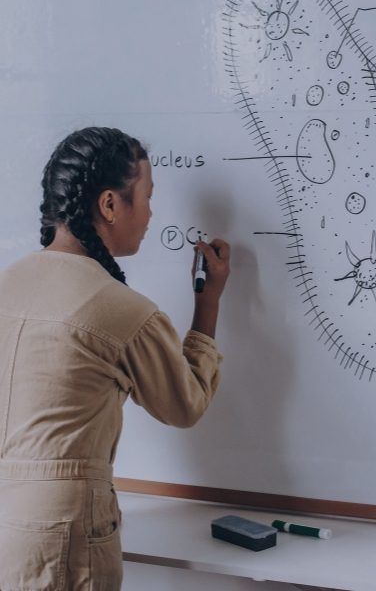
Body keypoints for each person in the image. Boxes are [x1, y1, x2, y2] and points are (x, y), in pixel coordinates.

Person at [0, 127, 230, 590]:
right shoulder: (120, 308)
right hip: (61, 527)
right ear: (109, 205)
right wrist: (208, 302)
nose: (150, 215)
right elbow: (185, 405)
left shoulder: (8, 282)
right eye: (146, 198)